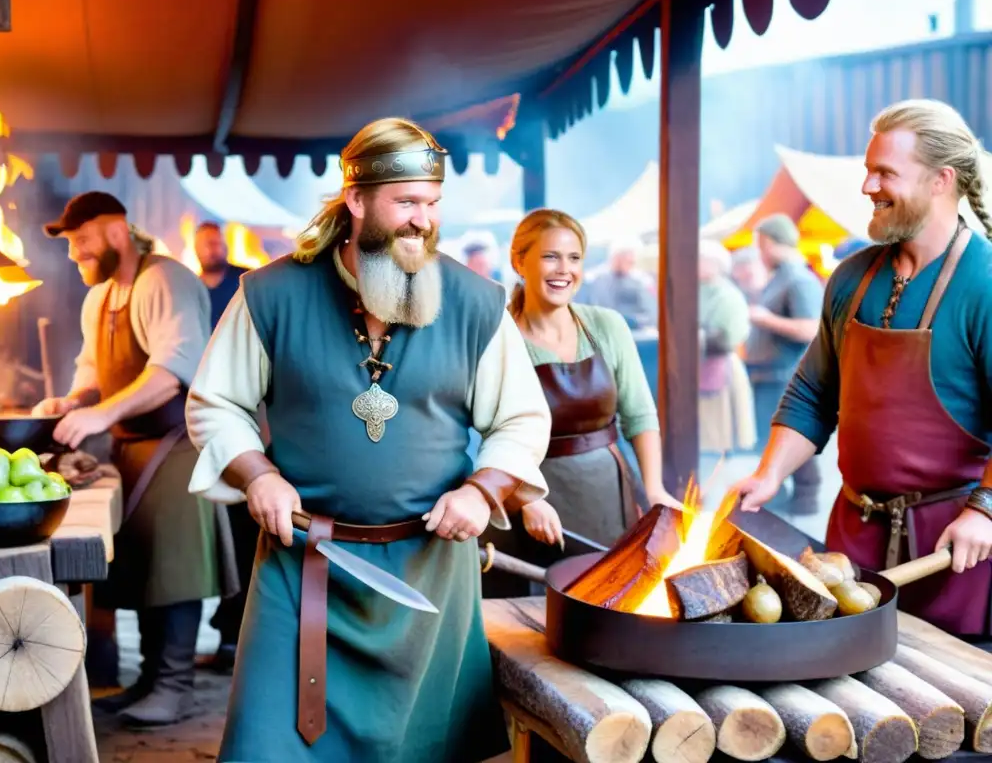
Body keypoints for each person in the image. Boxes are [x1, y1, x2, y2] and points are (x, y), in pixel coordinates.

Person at [184, 117, 552, 761]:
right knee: (268, 748)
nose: (422, 220)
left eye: (432, 204)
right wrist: (258, 474)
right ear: (356, 201)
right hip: (303, 564)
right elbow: (216, 404)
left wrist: (481, 489)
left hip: (430, 576)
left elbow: (521, 419)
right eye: (406, 202)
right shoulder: (270, 295)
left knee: (419, 749)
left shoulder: (476, 303)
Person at [734, 99, 992, 638]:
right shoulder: (851, 277)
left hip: (957, 551)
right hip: (853, 543)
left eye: (884, 173)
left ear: (941, 180)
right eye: (868, 170)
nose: (867, 186)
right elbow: (812, 392)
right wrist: (769, 473)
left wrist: (984, 510)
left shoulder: (985, 283)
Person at [33, 191, 218, 724]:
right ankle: (149, 683)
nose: (75, 255)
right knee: (144, 565)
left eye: (82, 241)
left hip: (179, 446)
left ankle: (175, 685)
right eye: (71, 245)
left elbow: (169, 374)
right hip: (130, 447)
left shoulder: (166, 280)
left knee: (176, 566)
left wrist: (100, 417)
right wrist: (72, 402)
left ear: (117, 231)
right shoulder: (101, 297)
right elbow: (92, 371)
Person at [479, 209, 681, 598]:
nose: (564, 269)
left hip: (607, 493)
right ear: (519, 261)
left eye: (574, 258)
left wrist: (653, 488)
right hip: (530, 493)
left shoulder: (607, 326)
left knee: (611, 599)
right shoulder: (497, 335)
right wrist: (524, 499)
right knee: (530, 617)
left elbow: (639, 415)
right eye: (550, 256)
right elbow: (486, 430)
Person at [192, 220, 255, 673]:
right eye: (205, 242)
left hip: (255, 423)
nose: (212, 248)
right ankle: (226, 635)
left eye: (217, 241)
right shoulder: (194, 290)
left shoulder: (246, 284)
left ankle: (239, 640)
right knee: (222, 542)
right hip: (211, 419)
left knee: (246, 537)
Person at [743, 214, 824, 515]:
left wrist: (765, 319)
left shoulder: (799, 279)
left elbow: (809, 329)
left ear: (771, 242)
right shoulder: (782, 277)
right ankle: (783, 493)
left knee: (791, 434)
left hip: (785, 374)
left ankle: (806, 497)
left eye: (760, 244)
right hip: (771, 373)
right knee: (774, 437)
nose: (759, 252)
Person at [697, 240, 756, 458]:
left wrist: (696, 335)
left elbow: (728, 337)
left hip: (720, 367)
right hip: (699, 365)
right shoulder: (697, 291)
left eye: (701, 260)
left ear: (715, 264)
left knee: (718, 434)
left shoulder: (727, 295)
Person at [194, 221, 249, 328]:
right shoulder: (192, 290)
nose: (210, 250)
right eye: (204, 244)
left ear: (225, 245)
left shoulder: (247, 280)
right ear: (196, 249)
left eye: (214, 243)